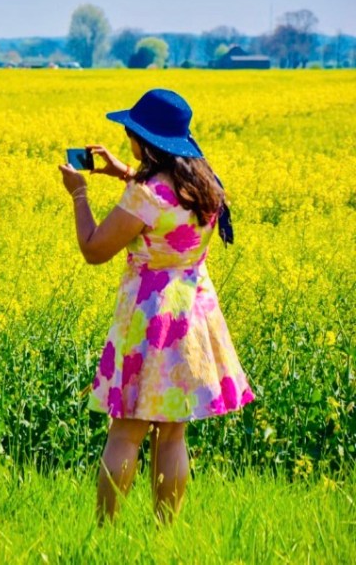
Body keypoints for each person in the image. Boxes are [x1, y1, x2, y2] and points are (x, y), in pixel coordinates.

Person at [56, 88, 255, 528]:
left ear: (145, 141)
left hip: (148, 319)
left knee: (127, 429)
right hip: (192, 313)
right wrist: (123, 172)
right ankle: (165, 533)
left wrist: (80, 193)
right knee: (173, 431)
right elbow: (166, 205)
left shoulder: (146, 194)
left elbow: (94, 249)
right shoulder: (202, 183)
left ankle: (106, 531)